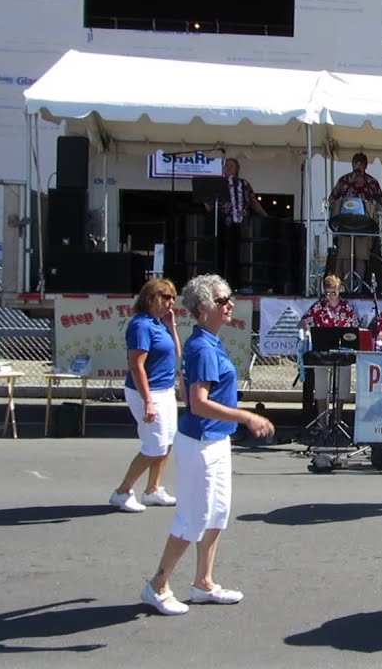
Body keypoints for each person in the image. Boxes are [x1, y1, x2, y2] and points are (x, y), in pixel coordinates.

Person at [140, 274, 274, 616]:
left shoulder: (207, 342)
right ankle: (158, 584)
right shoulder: (202, 347)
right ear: (203, 309)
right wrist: (246, 417)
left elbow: (188, 389)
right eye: (222, 300)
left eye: (228, 298)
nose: (229, 304)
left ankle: (203, 583)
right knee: (192, 518)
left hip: (215, 440)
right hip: (199, 442)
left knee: (217, 513)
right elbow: (197, 403)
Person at [109, 278, 182, 513]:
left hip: (165, 389)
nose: (171, 302)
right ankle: (122, 492)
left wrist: (172, 326)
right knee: (155, 445)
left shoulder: (159, 323)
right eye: (166, 297)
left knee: (168, 441)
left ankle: (153, 490)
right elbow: (136, 365)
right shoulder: (141, 325)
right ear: (151, 298)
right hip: (147, 392)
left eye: (173, 297)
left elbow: (176, 354)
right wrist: (148, 400)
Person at [299, 274, 361, 420]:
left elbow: (355, 328)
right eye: (328, 293)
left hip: (342, 353)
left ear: (339, 290)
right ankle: (322, 422)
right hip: (322, 352)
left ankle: (337, 419)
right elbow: (302, 321)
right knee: (321, 389)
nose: (331, 296)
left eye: (334, 293)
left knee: (342, 388)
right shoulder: (319, 306)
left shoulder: (347, 308)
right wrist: (306, 329)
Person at [209, 158, 268, 287]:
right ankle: (222, 283)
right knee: (224, 254)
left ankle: (240, 283)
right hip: (224, 224)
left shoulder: (244, 184)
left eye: (231, 166)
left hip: (243, 225)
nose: (228, 168)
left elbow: (253, 201)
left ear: (237, 169)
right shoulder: (219, 184)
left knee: (242, 254)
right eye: (226, 166)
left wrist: (265, 216)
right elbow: (210, 206)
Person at [330, 152, 382, 283]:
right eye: (356, 162)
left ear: (366, 165)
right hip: (345, 223)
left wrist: (374, 206)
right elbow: (332, 199)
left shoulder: (372, 182)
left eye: (361, 163)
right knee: (346, 255)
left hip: (365, 225)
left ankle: (358, 287)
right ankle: (349, 287)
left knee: (361, 256)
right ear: (352, 164)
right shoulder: (344, 180)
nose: (358, 165)